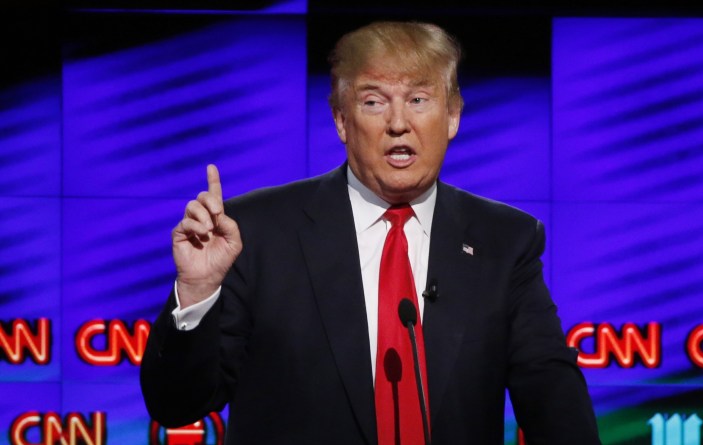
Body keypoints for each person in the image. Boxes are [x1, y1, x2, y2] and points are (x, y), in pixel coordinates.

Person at [140, 21, 602, 445]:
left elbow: (551, 395)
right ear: (341, 120)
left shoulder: (504, 240)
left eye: (419, 100)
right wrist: (197, 292)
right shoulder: (256, 232)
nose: (398, 123)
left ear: (454, 115)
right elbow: (176, 406)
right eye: (373, 101)